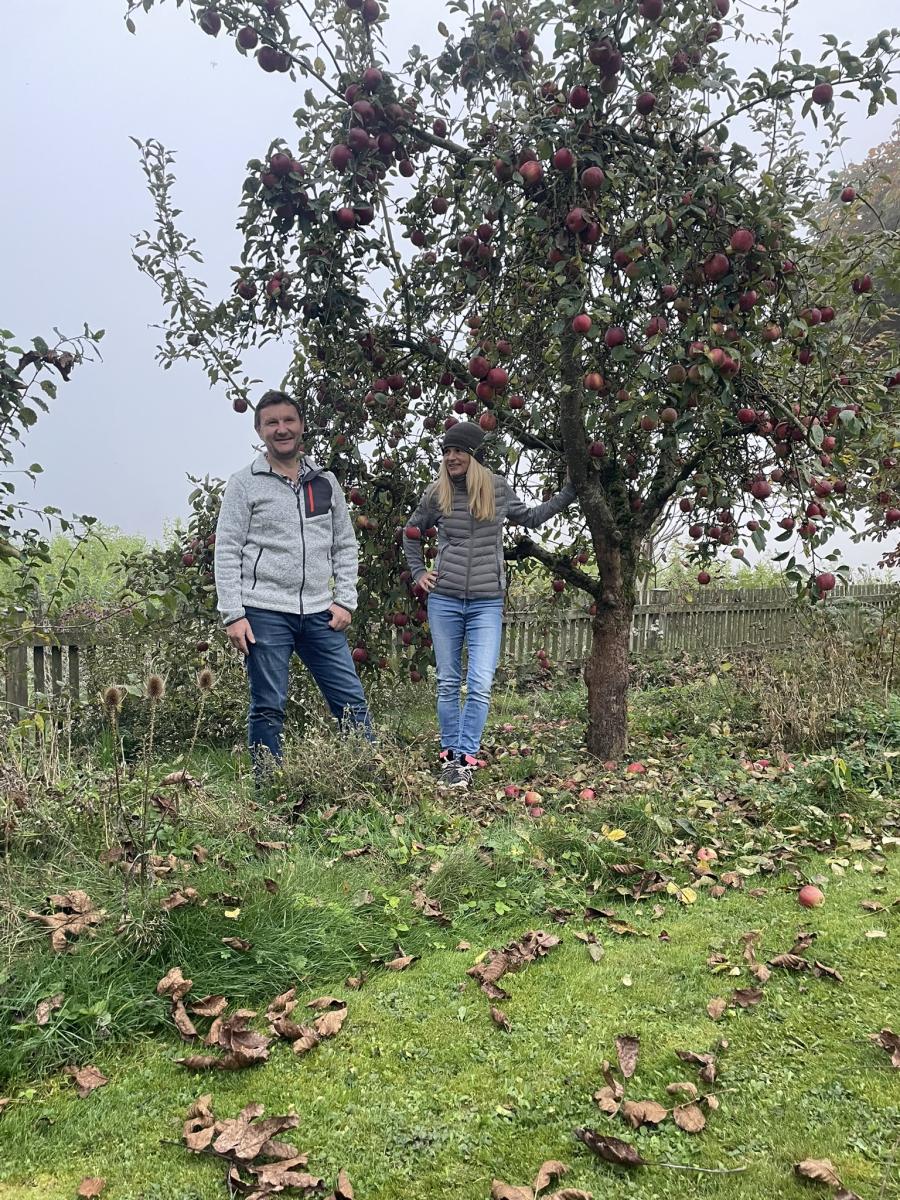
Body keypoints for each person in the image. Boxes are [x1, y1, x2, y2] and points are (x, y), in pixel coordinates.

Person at [403, 421, 576, 789]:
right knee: (448, 682)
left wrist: (568, 493)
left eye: (458, 450)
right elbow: (411, 531)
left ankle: (466, 756)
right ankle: (452, 758)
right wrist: (419, 571)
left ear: (474, 455)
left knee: (479, 682)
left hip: (485, 601)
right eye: (447, 451)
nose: (451, 456)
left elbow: (529, 518)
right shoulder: (438, 493)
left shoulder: (497, 488)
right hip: (445, 599)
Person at [214, 389, 373, 771]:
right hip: (265, 611)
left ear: (301, 426)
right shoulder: (244, 483)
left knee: (350, 698)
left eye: (288, 421)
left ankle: (370, 776)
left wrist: (345, 599)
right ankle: (269, 789)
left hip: (321, 611)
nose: (281, 429)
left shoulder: (325, 482)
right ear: (259, 430)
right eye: (272, 423)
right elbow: (227, 550)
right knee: (268, 705)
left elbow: (345, 545)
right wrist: (233, 614)